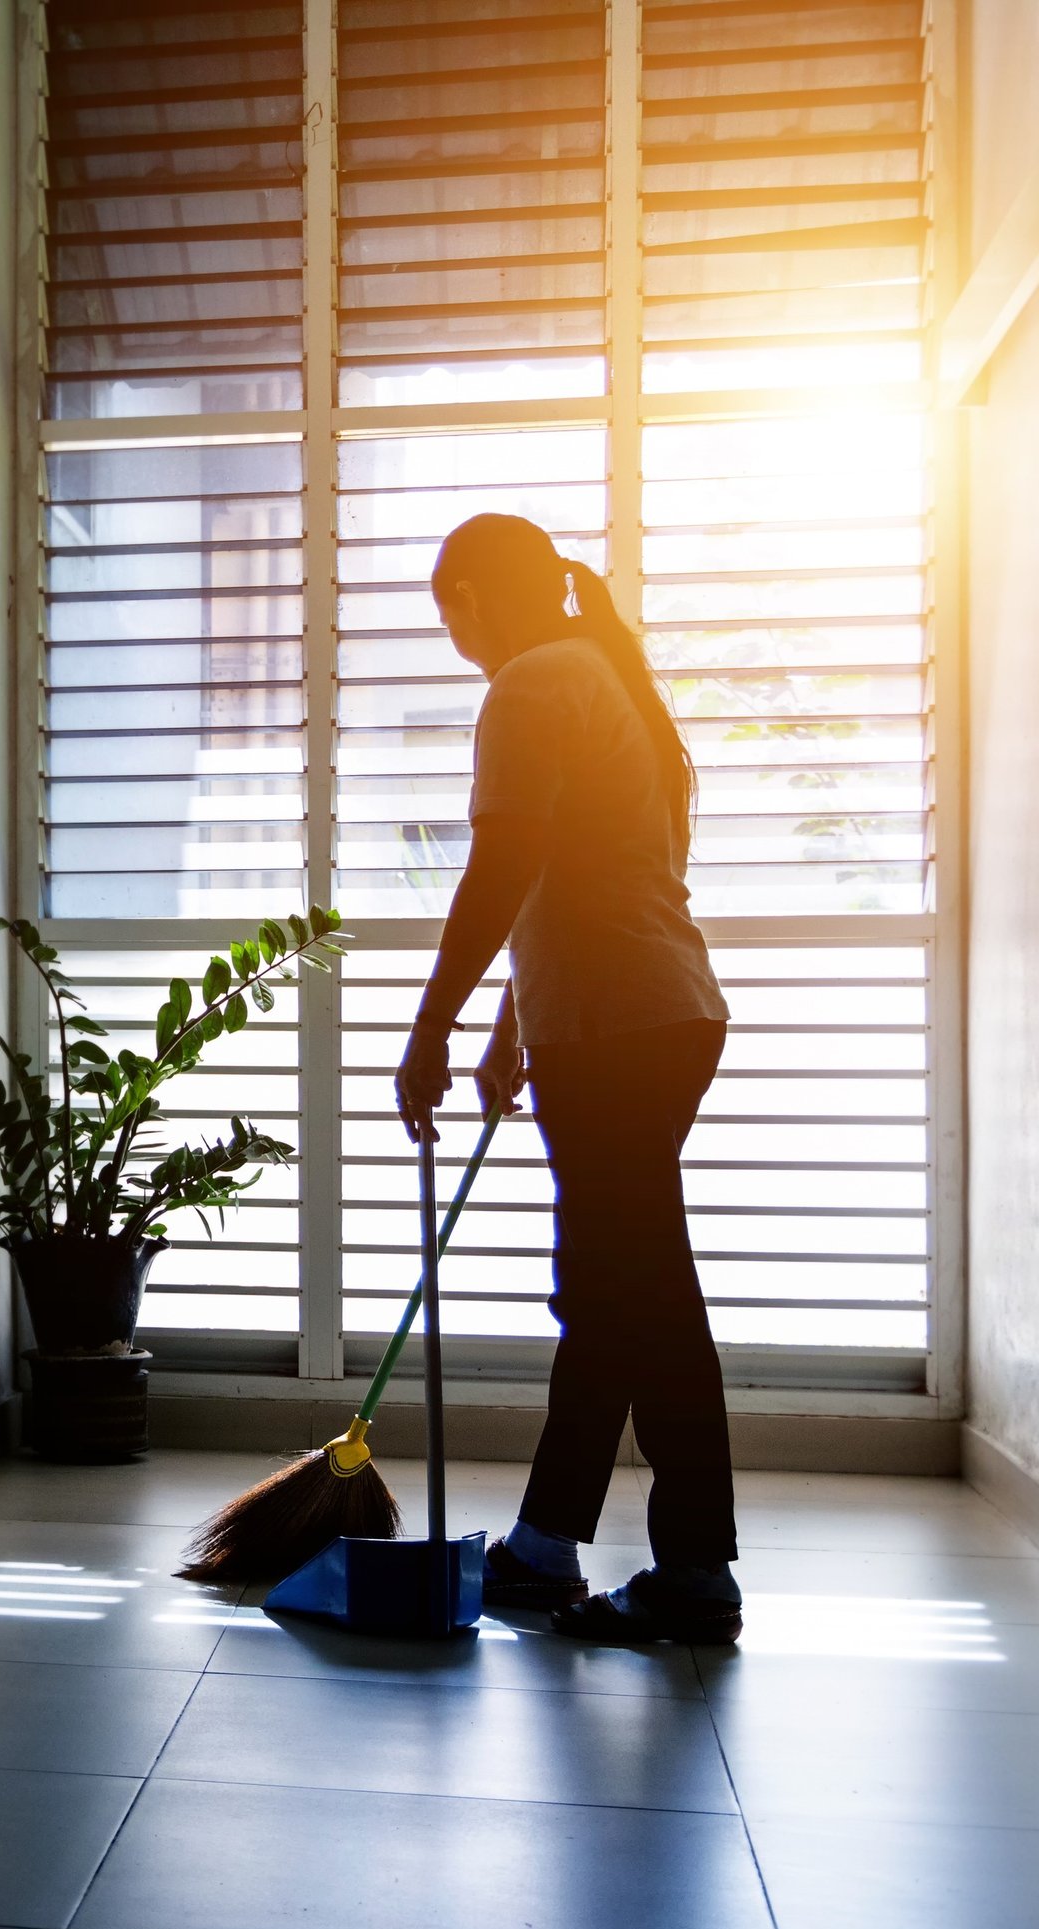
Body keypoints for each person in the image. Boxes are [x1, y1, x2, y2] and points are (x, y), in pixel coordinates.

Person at [392, 512, 742, 1644]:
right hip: (642, 1015)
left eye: (448, 603)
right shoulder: (594, 675)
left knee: (638, 1295)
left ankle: (689, 1568)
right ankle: (547, 1547)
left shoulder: (531, 684)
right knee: (612, 1291)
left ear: (475, 594)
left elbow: (504, 864)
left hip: (620, 1029)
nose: (451, 629)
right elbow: (568, 877)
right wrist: (508, 1029)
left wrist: (430, 1023)